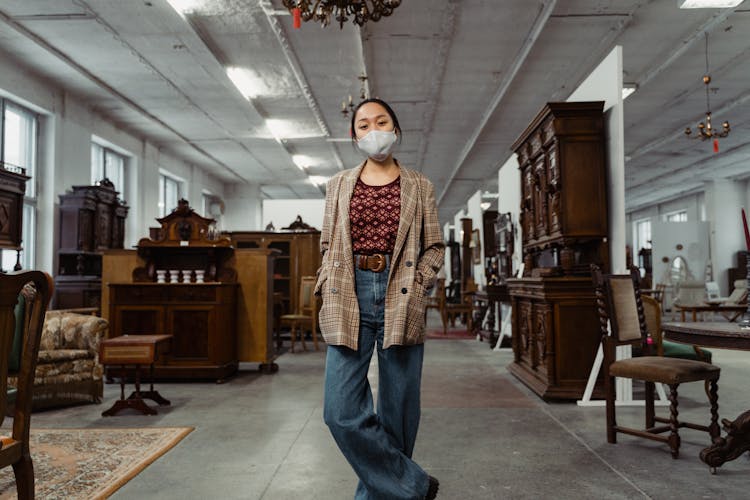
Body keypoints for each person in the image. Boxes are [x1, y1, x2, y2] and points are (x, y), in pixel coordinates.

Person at [315, 98, 445, 500]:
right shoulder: (338, 183)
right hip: (348, 292)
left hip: (399, 291)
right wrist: (328, 281)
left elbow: (435, 247)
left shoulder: (419, 184)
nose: (374, 131)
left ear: (396, 128)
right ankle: (415, 486)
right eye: (364, 124)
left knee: (399, 413)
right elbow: (327, 242)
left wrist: (419, 283)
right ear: (354, 135)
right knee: (339, 411)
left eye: (382, 121)